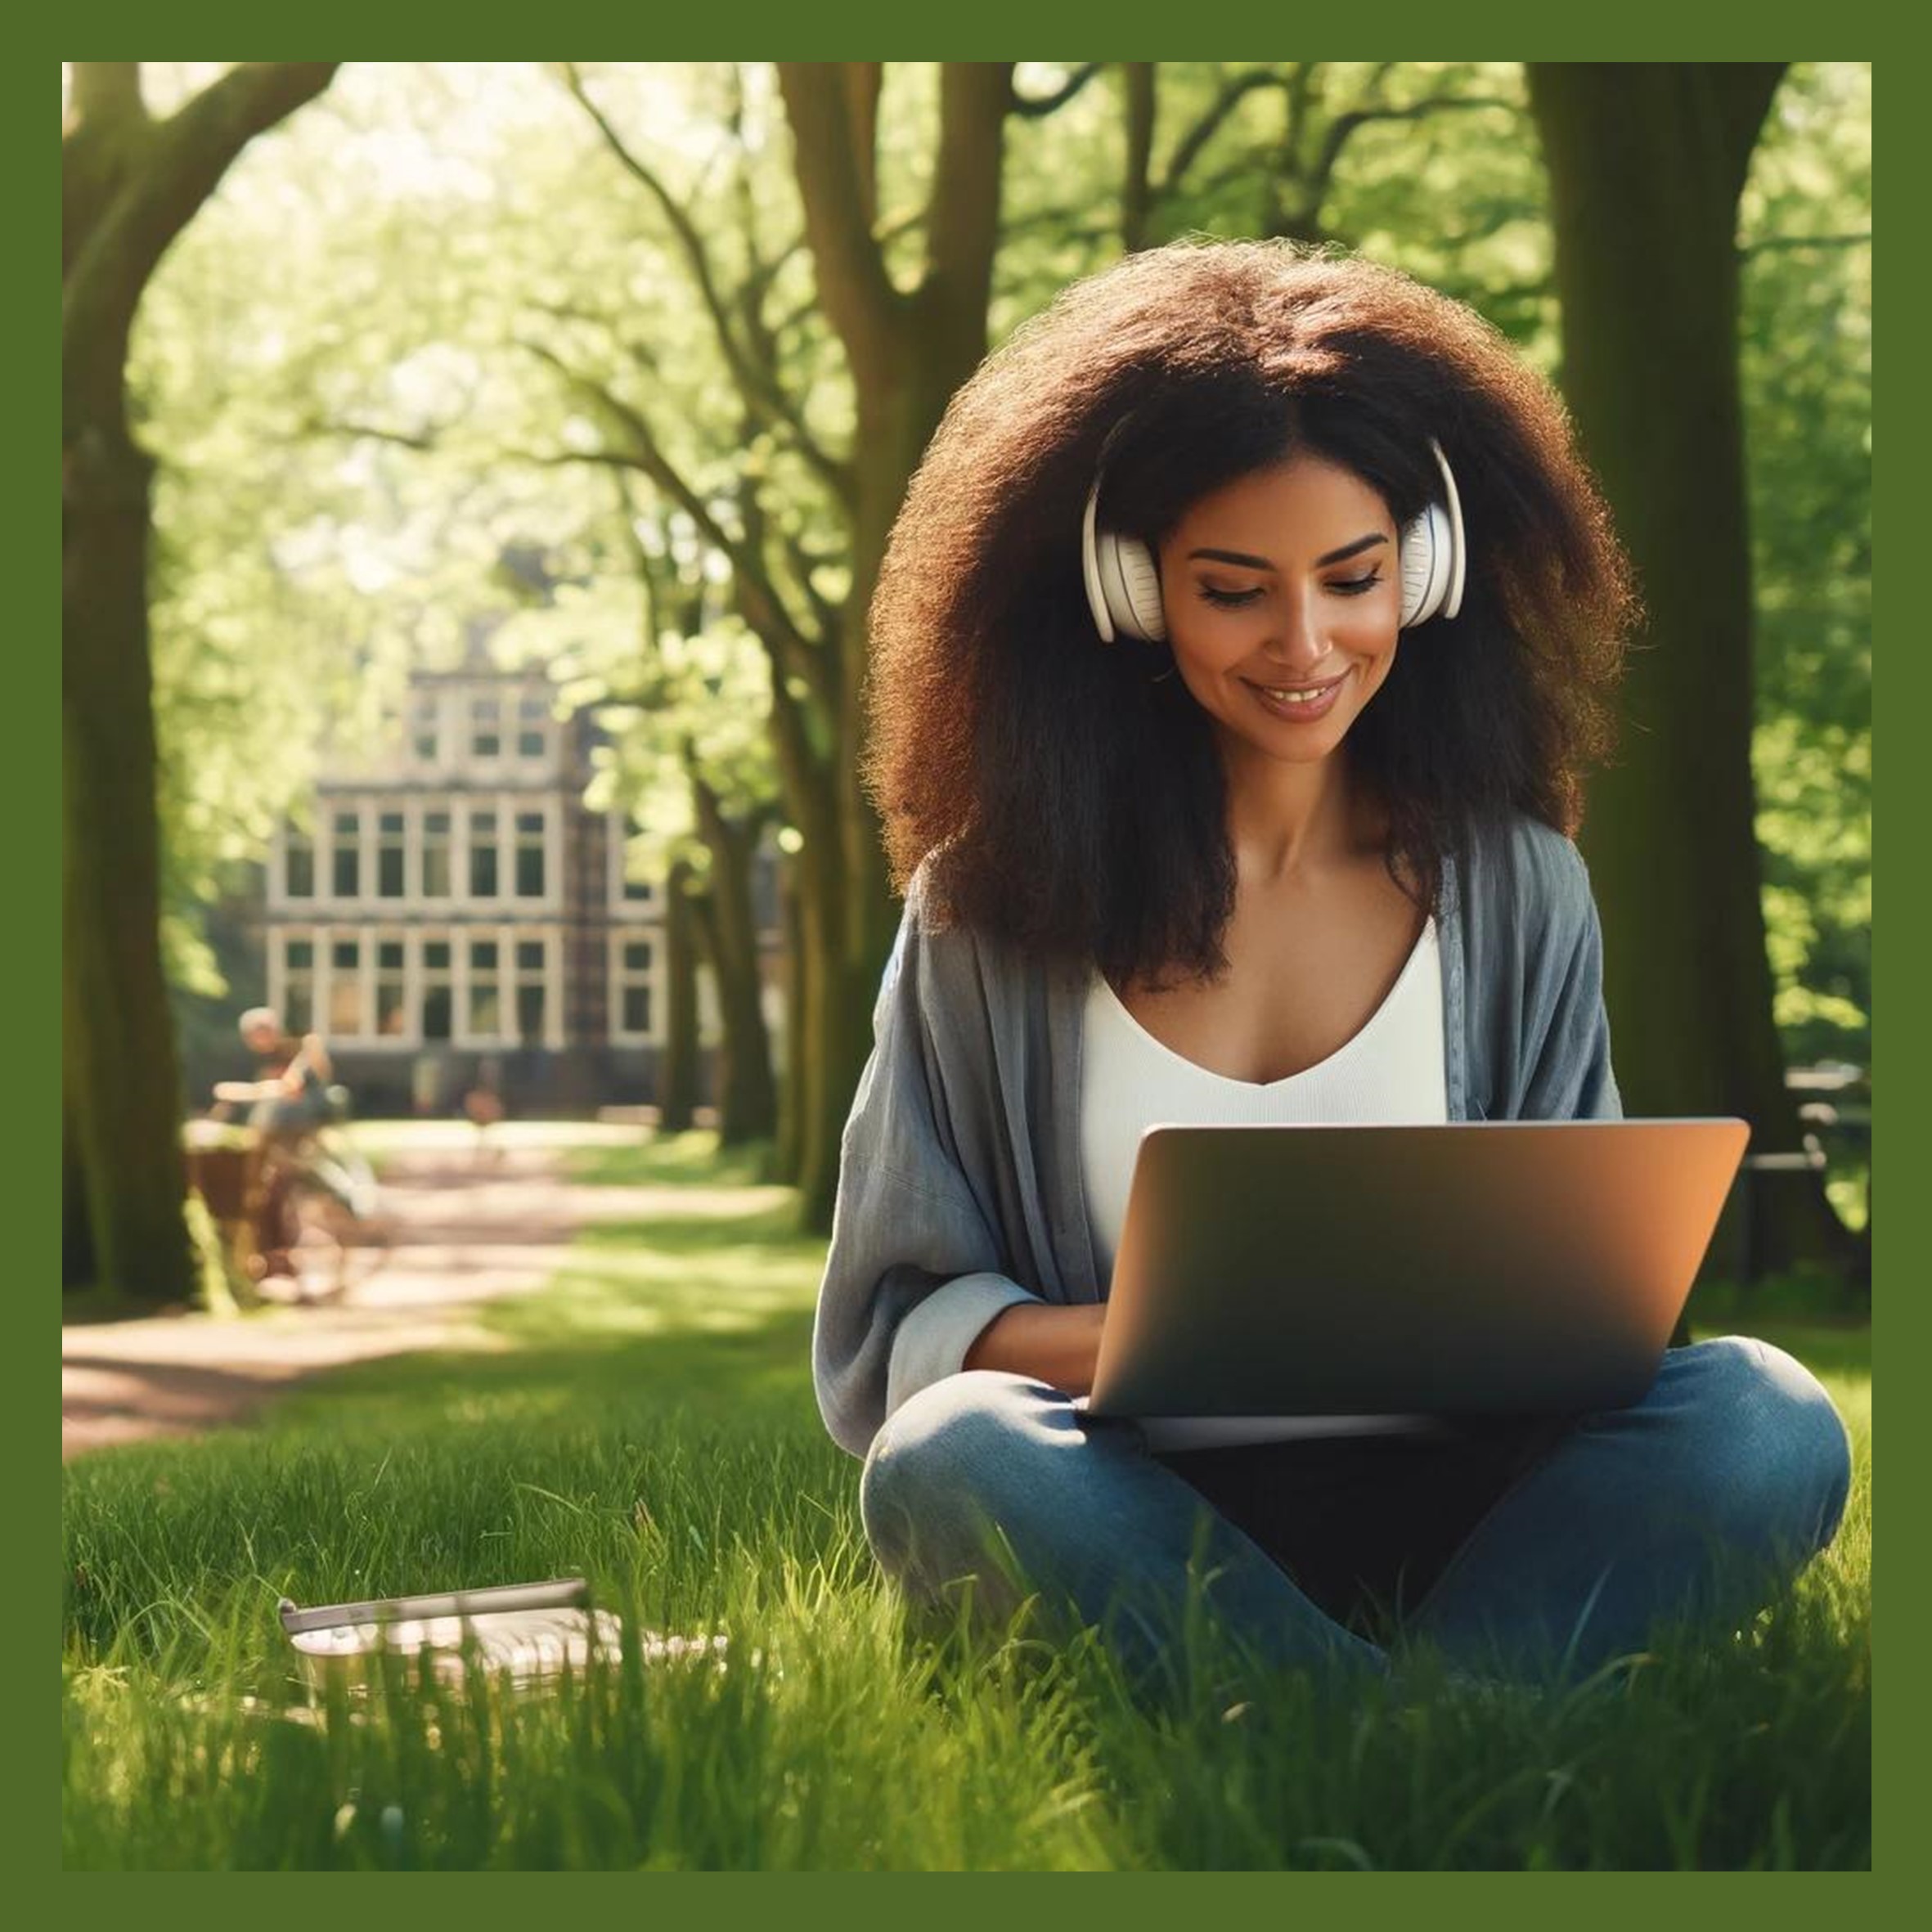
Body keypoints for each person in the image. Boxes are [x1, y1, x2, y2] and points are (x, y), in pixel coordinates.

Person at [813, 240, 1852, 1690]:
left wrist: (1496, 1341)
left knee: (1767, 1415)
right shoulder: (985, 916)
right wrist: (1168, 1343)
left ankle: (1299, 1705)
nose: (1304, 643)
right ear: (1127, 589)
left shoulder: (1517, 888)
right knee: (946, 1459)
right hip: (1128, 1505)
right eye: (1232, 589)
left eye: (1351, 578)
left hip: (1476, 1503)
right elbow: (887, 1344)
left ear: (1421, 572)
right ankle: (1448, 1711)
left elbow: (1590, 1309)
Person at [214, 1006, 336, 1281]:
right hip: (271, 1136)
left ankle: (282, 1253)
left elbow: (288, 1087)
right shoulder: (267, 1060)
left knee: (276, 1190)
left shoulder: (295, 1054)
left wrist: (242, 1093)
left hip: (293, 1138)